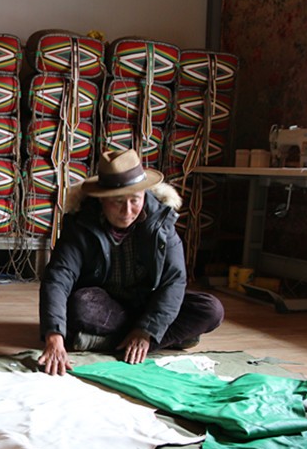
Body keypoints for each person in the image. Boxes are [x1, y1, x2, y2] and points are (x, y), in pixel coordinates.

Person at [38, 148, 224, 375]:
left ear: (144, 194)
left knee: (210, 310)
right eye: (117, 202)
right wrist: (54, 335)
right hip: (108, 307)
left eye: (135, 200)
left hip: (148, 303)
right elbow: (58, 278)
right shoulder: (80, 225)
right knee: (79, 306)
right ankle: (164, 337)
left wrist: (146, 330)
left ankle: (108, 342)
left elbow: (174, 281)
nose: (127, 211)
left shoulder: (161, 223)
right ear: (102, 199)